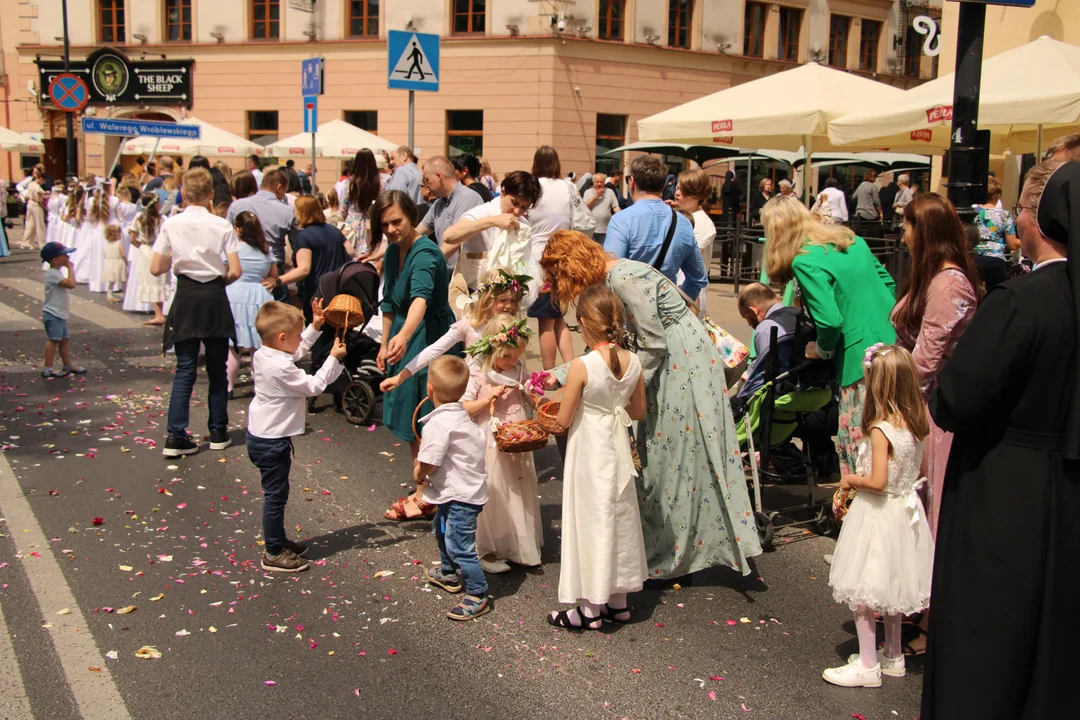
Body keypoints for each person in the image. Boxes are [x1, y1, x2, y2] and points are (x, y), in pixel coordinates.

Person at [921, 159, 1080, 719]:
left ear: (1040, 218)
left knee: (987, 636)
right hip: (1065, 487)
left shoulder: (1022, 300)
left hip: (1004, 484)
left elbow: (959, 397)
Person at [540, 231, 762, 581]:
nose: (557, 286)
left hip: (683, 366)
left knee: (671, 459)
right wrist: (559, 374)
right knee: (667, 458)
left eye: (557, 277)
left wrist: (619, 390)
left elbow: (652, 345)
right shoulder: (613, 277)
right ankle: (674, 549)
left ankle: (672, 557)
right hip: (672, 363)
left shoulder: (623, 278)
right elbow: (613, 349)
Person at [823, 344, 934, 688]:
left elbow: (877, 480)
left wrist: (849, 479)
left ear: (880, 385)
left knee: (864, 590)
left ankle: (868, 665)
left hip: (878, 513)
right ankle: (893, 655)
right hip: (903, 512)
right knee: (892, 589)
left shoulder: (881, 428)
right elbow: (921, 471)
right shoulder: (915, 424)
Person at [762, 194, 897, 476]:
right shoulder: (851, 241)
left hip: (859, 361)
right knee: (892, 437)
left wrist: (821, 349)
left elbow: (831, 321)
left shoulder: (805, 261)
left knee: (862, 445)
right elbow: (889, 283)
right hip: (893, 346)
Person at [379, 267, 527, 521]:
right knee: (458, 457)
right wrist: (401, 375)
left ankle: (494, 520)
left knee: (494, 466)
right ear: (488, 297)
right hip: (470, 398)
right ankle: (433, 498)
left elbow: (518, 362)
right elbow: (433, 351)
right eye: (502, 299)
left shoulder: (514, 327)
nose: (507, 306)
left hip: (499, 403)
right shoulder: (468, 327)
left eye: (512, 300)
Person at [546, 286, 647, 630]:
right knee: (618, 516)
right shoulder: (634, 362)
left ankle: (589, 608)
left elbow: (561, 420)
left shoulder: (582, 365)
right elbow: (639, 410)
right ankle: (618, 601)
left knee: (590, 520)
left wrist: (537, 404)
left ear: (586, 325)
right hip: (618, 444)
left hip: (590, 448)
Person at [891, 194, 980, 535]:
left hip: (933, 408)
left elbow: (927, 359)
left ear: (924, 231)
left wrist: (895, 395)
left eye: (907, 228)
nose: (903, 238)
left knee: (926, 501)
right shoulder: (936, 279)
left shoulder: (948, 284)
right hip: (921, 402)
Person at [246, 300, 347, 573]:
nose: (300, 340)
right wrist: (333, 358)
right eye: (297, 334)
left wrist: (315, 326)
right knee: (275, 497)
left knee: (277, 494)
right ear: (281, 338)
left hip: (262, 435)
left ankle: (277, 540)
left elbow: (293, 351)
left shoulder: (265, 354)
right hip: (271, 441)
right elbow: (313, 386)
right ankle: (274, 552)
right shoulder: (279, 368)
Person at [151, 168, 243, 458]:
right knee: (217, 368)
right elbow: (236, 270)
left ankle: (176, 435)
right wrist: (219, 280)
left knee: (185, 369)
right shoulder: (222, 225)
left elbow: (155, 267)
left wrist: (178, 261)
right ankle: (218, 431)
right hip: (214, 297)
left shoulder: (172, 224)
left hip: (186, 296)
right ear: (211, 194)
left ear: (184, 193)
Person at [457, 315, 542, 573]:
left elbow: (529, 397)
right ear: (492, 349)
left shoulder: (517, 371)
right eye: (507, 356)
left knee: (517, 486)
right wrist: (488, 399)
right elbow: (463, 408)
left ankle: (516, 544)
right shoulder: (478, 373)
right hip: (490, 438)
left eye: (517, 356)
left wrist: (534, 396)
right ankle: (487, 549)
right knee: (493, 491)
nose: (513, 361)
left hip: (516, 437)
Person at [375, 190, 456, 459]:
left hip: (427, 334)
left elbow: (420, 300)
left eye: (396, 221)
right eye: (385, 224)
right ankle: (423, 483)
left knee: (423, 413)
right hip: (405, 331)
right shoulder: (392, 251)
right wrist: (385, 342)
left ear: (411, 216)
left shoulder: (425, 254)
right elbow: (388, 303)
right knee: (409, 411)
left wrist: (405, 335)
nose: (391, 229)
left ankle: (427, 488)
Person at [416, 355, 492, 620]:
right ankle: (448, 572)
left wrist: (418, 474)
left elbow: (429, 460)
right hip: (460, 491)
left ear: (430, 389)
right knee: (441, 527)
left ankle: (477, 593)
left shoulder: (438, 424)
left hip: (462, 495)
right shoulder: (462, 417)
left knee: (460, 544)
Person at [604, 155, 708, 302]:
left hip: (630, 313)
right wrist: (677, 307)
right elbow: (698, 279)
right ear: (663, 186)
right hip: (668, 314)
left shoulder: (621, 220)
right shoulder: (683, 222)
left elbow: (609, 273)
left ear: (632, 182)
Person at [442, 171, 541, 311]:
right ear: (502, 191)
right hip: (471, 296)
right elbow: (449, 236)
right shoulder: (483, 212)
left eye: (524, 207)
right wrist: (492, 221)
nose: (517, 211)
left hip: (504, 302)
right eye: (515, 203)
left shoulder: (522, 224)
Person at [524, 146, 575, 372]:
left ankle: (548, 372)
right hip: (564, 255)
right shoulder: (569, 186)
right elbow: (583, 221)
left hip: (539, 259)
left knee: (545, 320)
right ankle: (571, 366)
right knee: (559, 316)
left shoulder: (532, 187)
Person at [270, 195, 351, 324]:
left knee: (316, 335)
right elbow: (351, 252)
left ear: (302, 212)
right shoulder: (334, 231)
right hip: (338, 292)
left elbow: (304, 269)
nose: (295, 214)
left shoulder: (303, 237)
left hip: (317, 296)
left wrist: (277, 281)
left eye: (295, 210)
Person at [225, 211, 277, 393]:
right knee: (259, 346)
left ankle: (229, 386)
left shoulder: (233, 248)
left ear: (238, 229)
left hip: (235, 294)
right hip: (260, 295)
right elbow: (274, 276)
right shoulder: (266, 249)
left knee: (233, 346)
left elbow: (226, 271)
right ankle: (260, 387)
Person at [226, 170, 295, 300]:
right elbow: (297, 246)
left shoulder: (236, 206)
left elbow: (226, 239)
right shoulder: (286, 210)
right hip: (272, 275)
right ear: (279, 188)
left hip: (238, 270)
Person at [735, 283, 801, 404]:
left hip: (780, 397)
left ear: (753, 311)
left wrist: (739, 400)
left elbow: (764, 375)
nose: (749, 324)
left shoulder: (766, 329)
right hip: (804, 391)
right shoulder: (797, 314)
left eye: (746, 318)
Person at [416, 155, 483, 273]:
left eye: (427, 180)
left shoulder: (468, 198)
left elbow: (456, 241)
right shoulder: (438, 204)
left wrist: (428, 265)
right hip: (447, 273)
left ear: (438, 176)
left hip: (465, 277)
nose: (426, 186)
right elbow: (417, 232)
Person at [39, 241, 86, 377]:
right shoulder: (53, 274)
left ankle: (68, 365)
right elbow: (71, 284)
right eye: (65, 255)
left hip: (59, 313)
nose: (68, 257)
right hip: (53, 313)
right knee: (54, 340)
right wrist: (71, 268)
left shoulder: (56, 272)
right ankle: (48, 367)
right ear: (55, 260)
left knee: (64, 340)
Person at [674, 168, 717, 313]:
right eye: (677, 188)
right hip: (679, 288)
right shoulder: (683, 216)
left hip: (689, 291)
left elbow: (692, 267)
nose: (677, 193)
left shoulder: (702, 222)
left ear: (697, 195)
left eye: (684, 190)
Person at [972, 175, 1019, 290]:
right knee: (996, 295)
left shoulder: (972, 212)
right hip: (995, 260)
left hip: (973, 259)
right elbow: (1012, 244)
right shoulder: (1005, 215)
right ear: (998, 196)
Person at [129, 192, 169, 326]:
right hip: (158, 250)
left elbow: (132, 238)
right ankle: (159, 313)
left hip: (145, 250)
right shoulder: (162, 219)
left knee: (150, 281)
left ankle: (158, 315)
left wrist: (141, 246)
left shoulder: (138, 219)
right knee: (159, 281)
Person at [339, 149, 381, 258]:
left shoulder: (350, 183)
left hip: (352, 223)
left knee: (351, 256)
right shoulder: (379, 183)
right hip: (371, 223)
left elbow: (343, 207)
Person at [583, 173, 620, 245]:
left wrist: (622, 215)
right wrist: (595, 196)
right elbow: (584, 207)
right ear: (593, 182)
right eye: (597, 182)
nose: (599, 184)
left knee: (604, 252)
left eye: (601, 182)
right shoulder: (588, 192)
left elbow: (615, 207)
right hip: (591, 229)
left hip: (605, 230)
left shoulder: (610, 192)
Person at [21, 165, 47, 250]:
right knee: (40, 225)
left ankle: (26, 242)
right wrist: (44, 207)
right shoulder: (37, 186)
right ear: (41, 179)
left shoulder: (31, 184)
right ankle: (42, 243)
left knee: (30, 224)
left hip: (29, 204)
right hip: (36, 205)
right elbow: (38, 199)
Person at [100, 224, 127, 303]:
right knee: (123, 280)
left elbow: (105, 254)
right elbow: (123, 254)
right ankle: (125, 294)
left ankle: (109, 294)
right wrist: (126, 261)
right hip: (119, 263)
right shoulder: (119, 244)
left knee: (111, 281)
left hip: (110, 264)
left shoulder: (107, 245)